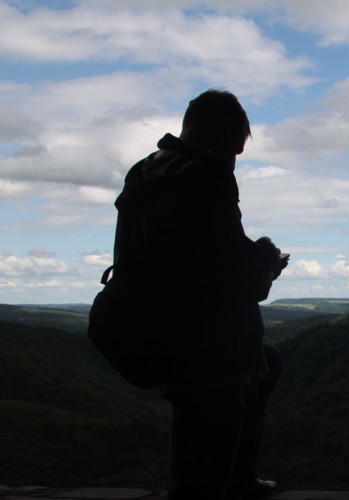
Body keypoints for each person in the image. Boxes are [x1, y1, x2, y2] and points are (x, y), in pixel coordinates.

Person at [111, 89, 287, 500]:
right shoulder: (203, 179)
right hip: (197, 338)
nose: (234, 159)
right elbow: (237, 279)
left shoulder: (148, 170)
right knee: (204, 456)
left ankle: (236, 478)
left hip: (143, 319)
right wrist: (267, 262)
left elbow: (190, 252)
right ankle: (225, 485)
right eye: (236, 149)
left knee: (266, 362)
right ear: (223, 139)